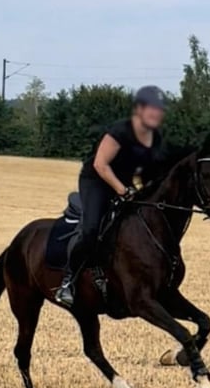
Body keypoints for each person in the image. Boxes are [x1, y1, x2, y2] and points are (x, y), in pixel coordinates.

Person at [55, 85, 167, 307]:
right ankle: (68, 282)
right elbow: (100, 164)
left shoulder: (154, 137)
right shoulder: (120, 131)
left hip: (123, 183)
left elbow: (148, 170)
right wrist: (122, 189)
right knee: (92, 229)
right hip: (96, 181)